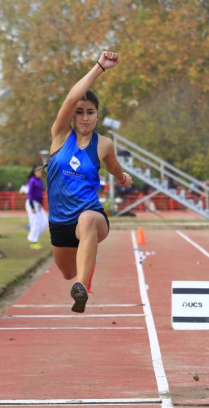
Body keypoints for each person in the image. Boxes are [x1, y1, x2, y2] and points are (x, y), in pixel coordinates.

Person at [47, 51, 132, 313]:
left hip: (91, 213)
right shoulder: (60, 136)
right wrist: (99, 68)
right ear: (73, 117)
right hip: (60, 221)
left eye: (90, 112)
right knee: (66, 272)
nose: (85, 117)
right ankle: (84, 259)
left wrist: (122, 177)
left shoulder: (104, 144)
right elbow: (72, 97)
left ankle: (81, 291)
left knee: (87, 221)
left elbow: (114, 167)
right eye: (80, 112)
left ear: (97, 116)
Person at [26, 166, 46, 250]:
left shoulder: (40, 181)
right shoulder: (32, 180)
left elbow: (40, 194)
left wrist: (41, 204)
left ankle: (35, 238)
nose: (41, 173)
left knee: (44, 221)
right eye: (39, 171)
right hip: (31, 203)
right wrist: (32, 207)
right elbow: (30, 194)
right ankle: (33, 241)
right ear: (35, 172)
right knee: (35, 223)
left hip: (38, 204)